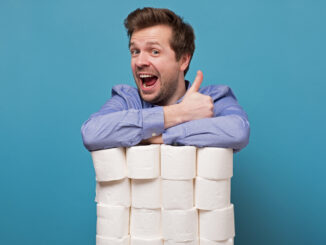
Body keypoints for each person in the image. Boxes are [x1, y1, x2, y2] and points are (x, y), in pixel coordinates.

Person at [81, 7, 250, 152]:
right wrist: (180, 113)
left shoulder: (211, 100)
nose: (140, 62)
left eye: (154, 52)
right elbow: (92, 133)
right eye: (135, 51)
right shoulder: (127, 100)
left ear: (183, 60)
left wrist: (158, 138)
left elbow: (237, 131)